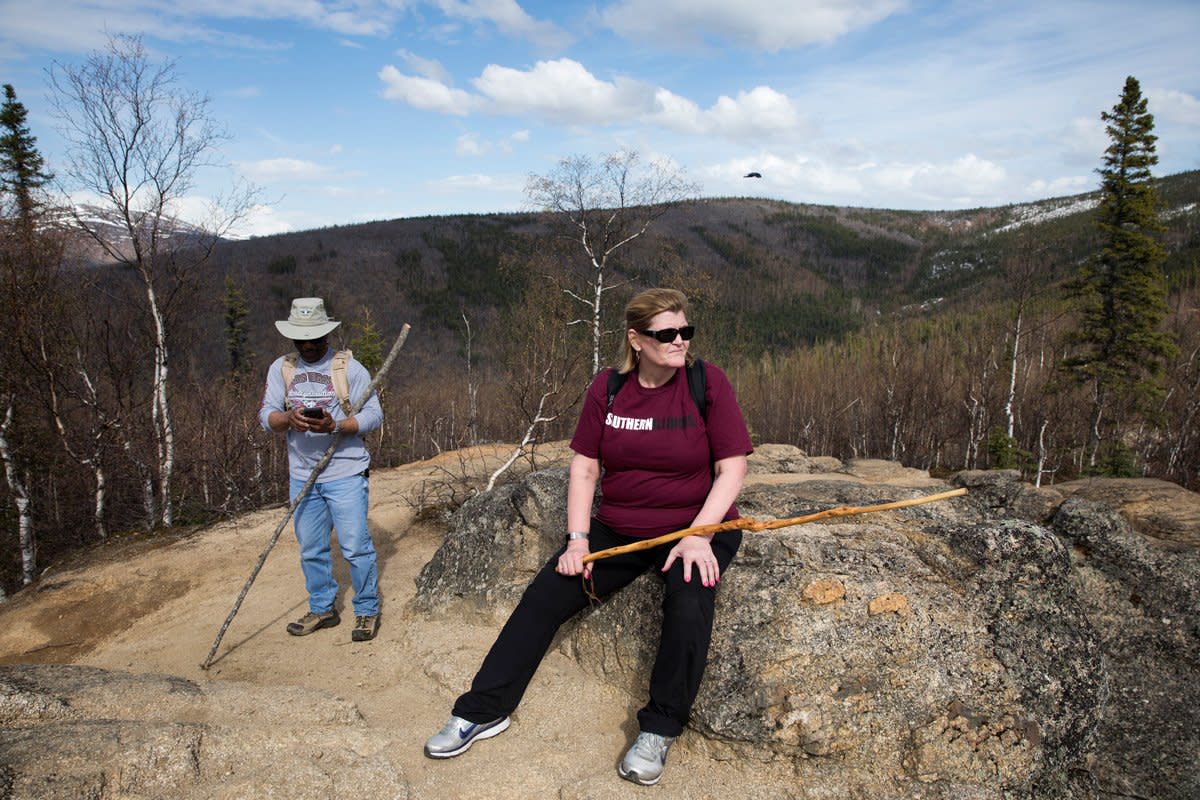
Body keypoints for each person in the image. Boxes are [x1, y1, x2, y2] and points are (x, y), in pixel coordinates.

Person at [424, 288, 752, 785]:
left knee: (689, 603)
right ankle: (482, 709)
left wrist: (700, 536)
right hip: (618, 526)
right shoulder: (610, 388)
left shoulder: (708, 383)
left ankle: (660, 728)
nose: (681, 342)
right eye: (667, 334)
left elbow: (732, 468)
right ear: (636, 339)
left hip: (697, 526)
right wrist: (578, 540)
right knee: (545, 595)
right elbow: (585, 467)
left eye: (686, 332)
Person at [259, 297, 384, 643]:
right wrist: (287, 419)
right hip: (302, 475)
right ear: (294, 339)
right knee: (311, 547)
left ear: (327, 335)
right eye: (303, 340)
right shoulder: (281, 369)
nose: (310, 345)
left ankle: (367, 609)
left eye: (316, 338)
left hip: (345, 472)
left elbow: (374, 415)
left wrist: (336, 425)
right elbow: (266, 416)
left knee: (355, 545)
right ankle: (322, 607)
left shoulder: (349, 369)